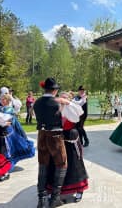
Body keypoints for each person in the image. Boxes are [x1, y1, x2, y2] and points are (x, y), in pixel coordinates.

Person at [34, 78, 80, 208]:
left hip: (41, 135)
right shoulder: (57, 103)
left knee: (43, 165)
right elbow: (76, 116)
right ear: (55, 90)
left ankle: (42, 199)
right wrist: (68, 103)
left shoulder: (36, 102)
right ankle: (55, 198)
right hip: (55, 136)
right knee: (61, 164)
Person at [47, 92, 89, 203]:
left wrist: (68, 103)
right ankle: (56, 189)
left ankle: (79, 189)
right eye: (61, 97)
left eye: (65, 97)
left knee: (74, 162)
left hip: (70, 137)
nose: (62, 99)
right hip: (58, 138)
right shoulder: (55, 109)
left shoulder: (73, 107)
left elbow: (79, 114)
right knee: (57, 164)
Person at [0, 94, 35, 172]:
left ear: (8, 100)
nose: (2, 101)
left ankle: (7, 166)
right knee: (0, 148)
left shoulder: (9, 109)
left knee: (8, 149)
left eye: (4, 99)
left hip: (7, 132)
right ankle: (2, 164)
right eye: (1, 99)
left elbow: (6, 120)